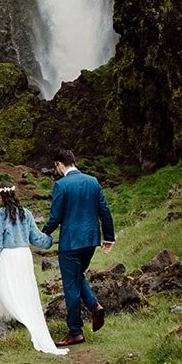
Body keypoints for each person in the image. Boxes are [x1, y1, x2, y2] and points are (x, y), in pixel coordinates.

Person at [0, 184, 68, 357]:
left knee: (6, 287)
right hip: (24, 255)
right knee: (25, 289)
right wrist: (50, 240)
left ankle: (11, 318)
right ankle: (20, 318)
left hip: (8, 256)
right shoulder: (25, 213)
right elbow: (36, 238)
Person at [42, 147, 115, 347]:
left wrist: (43, 233)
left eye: (56, 166)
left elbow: (55, 217)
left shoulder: (61, 185)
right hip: (91, 241)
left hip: (71, 243)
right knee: (77, 276)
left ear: (59, 165)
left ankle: (75, 331)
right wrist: (109, 237)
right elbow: (104, 210)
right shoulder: (92, 181)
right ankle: (94, 306)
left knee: (71, 284)